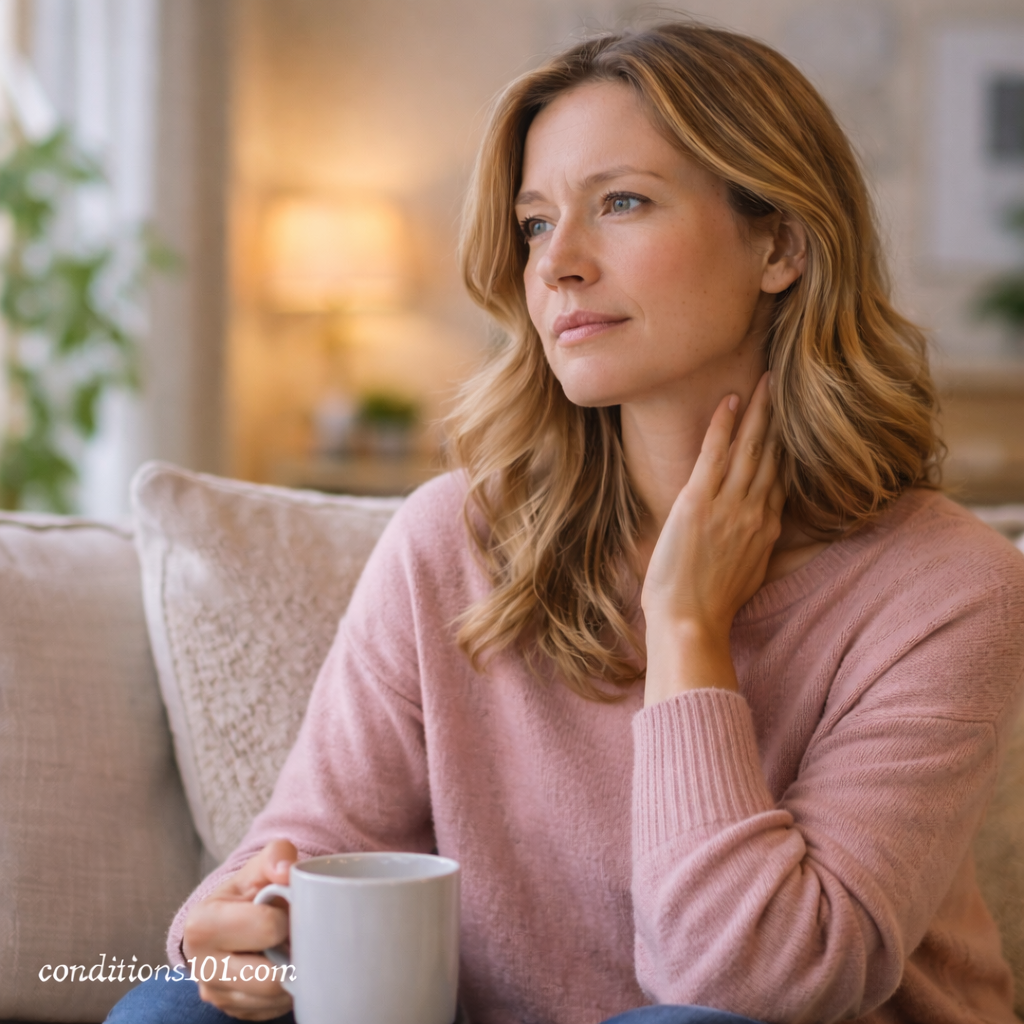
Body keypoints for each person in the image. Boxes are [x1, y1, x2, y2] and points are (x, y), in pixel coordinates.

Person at [106, 22, 1024, 1024]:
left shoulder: (948, 587)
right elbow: (316, 842)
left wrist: (688, 625)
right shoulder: (455, 537)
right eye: (537, 223)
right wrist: (245, 927)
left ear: (781, 244)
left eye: (621, 202)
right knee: (174, 1009)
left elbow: (753, 986)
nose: (558, 266)